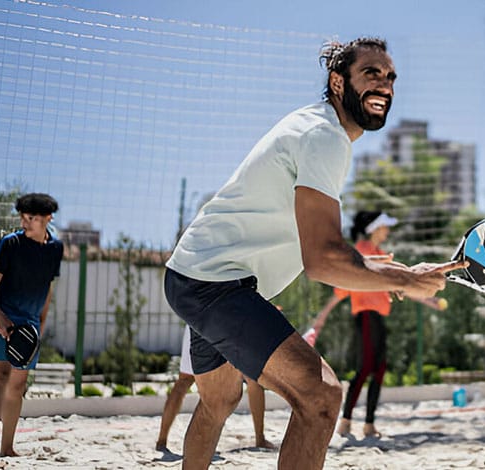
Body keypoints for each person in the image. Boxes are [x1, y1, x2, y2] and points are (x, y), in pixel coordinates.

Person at [163, 36, 465, 470]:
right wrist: (404, 281)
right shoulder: (325, 136)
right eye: (371, 74)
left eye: (390, 77)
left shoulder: (315, 125)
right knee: (322, 396)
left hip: (196, 273)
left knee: (219, 400)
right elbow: (323, 260)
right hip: (217, 283)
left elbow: (329, 250)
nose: (384, 85)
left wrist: (404, 271)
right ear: (338, 82)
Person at [315, 210, 398, 439]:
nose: (387, 231)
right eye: (384, 226)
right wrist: (322, 316)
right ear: (374, 229)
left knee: (379, 369)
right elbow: (342, 288)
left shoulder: (380, 254)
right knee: (365, 368)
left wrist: (427, 297)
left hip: (378, 317)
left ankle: (369, 423)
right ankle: (346, 420)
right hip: (365, 315)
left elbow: (395, 282)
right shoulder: (361, 251)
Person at [0, 193, 63, 460]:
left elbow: (47, 288)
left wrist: (41, 324)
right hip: (4, 318)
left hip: (30, 324)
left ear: (48, 218)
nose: (25, 222)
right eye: (23, 217)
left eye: (31, 218)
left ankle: (7, 447)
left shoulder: (54, 249)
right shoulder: (10, 244)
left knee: (18, 383)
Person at [155, 325, 275, 455]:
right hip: (228, 321)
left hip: (198, 320)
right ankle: (260, 438)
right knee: (252, 377)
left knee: (184, 382)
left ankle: (162, 440)